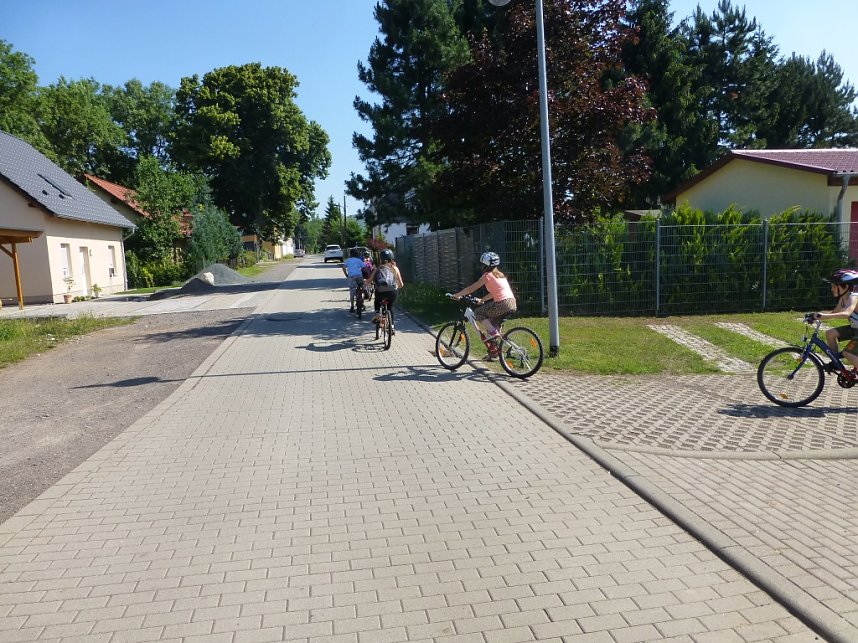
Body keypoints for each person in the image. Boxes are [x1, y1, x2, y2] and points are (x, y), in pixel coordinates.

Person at [451, 251, 517, 351]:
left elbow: (471, 289)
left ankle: (494, 334)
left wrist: (457, 295)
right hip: (511, 304)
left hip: (502, 304)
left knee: (478, 313)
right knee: (490, 324)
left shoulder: (487, 276)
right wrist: (482, 300)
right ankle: (494, 351)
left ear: (485, 265)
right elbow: (493, 293)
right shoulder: (500, 275)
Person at [815, 268, 858, 370]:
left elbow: (846, 313)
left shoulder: (854, 297)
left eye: (834, 286)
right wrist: (816, 316)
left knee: (847, 353)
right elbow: (834, 313)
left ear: (846, 286)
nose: (832, 289)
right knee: (830, 333)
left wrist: (823, 316)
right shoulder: (843, 299)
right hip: (855, 329)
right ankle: (836, 362)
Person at [367, 249, 404, 331]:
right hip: (392, 292)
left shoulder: (378, 268)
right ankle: (392, 326)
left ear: (381, 258)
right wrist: (397, 287)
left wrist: (366, 283)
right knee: (390, 307)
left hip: (380, 291)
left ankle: (377, 314)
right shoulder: (395, 268)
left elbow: (369, 281)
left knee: (377, 301)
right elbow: (401, 284)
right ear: (392, 258)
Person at [342, 248, 367, 312]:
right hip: (359, 276)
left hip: (351, 277)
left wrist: (346, 275)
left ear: (350, 254)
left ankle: (352, 307)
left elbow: (344, 268)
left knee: (352, 291)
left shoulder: (348, 260)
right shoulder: (359, 260)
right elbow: (365, 268)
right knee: (362, 284)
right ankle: (365, 291)